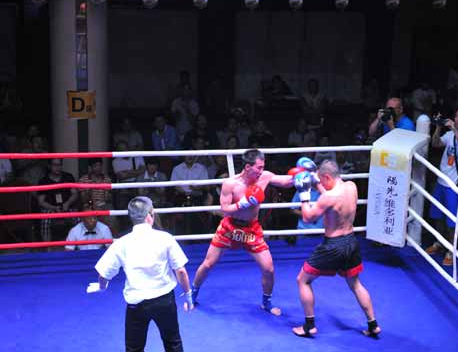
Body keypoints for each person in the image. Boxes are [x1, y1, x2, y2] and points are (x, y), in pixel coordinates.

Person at [190, 149, 294, 315]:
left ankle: (266, 302)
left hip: (251, 228)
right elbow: (224, 209)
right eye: (258, 168)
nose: (261, 171)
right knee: (208, 263)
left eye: (263, 167)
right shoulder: (230, 184)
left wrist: (304, 175)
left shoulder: (264, 177)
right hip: (229, 227)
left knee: (269, 269)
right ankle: (192, 294)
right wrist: (243, 203)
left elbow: (286, 181)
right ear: (247, 167)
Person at [87, 196, 194, 352]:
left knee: (134, 348)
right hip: (164, 300)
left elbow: (104, 274)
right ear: (150, 215)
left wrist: (102, 287)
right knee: (173, 343)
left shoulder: (122, 243)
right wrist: (188, 294)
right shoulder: (165, 238)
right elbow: (181, 270)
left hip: (136, 303)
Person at [291, 159, 380, 337]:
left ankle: (309, 326)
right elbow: (332, 198)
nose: (321, 185)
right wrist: (318, 184)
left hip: (333, 246)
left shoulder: (328, 198)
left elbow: (308, 217)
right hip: (351, 241)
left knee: (303, 280)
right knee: (355, 284)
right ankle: (373, 325)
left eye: (322, 181)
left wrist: (303, 193)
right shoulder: (351, 186)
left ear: (327, 177)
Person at [425, 107, 458, 266]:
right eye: (456, 116)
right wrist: (438, 127)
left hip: (455, 184)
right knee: (437, 216)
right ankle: (438, 242)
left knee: (452, 221)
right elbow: (435, 144)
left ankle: (451, 249)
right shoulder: (449, 135)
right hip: (441, 181)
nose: (457, 119)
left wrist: (455, 130)